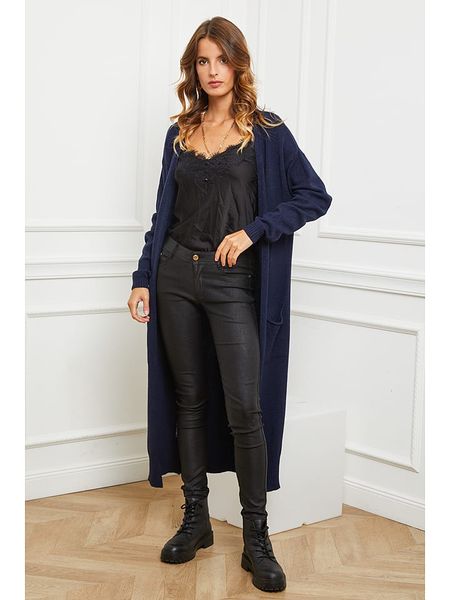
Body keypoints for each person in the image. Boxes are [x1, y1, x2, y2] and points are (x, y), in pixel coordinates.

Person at [128, 16, 332, 594]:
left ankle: (256, 539)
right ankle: (195, 520)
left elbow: (314, 195)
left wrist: (253, 231)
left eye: (222, 59)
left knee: (246, 408)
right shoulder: (180, 133)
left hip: (232, 282)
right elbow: (162, 212)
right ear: (193, 69)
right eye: (202, 61)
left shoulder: (267, 132)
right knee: (189, 401)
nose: (212, 71)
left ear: (239, 65)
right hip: (174, 274)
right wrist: (143, 277)